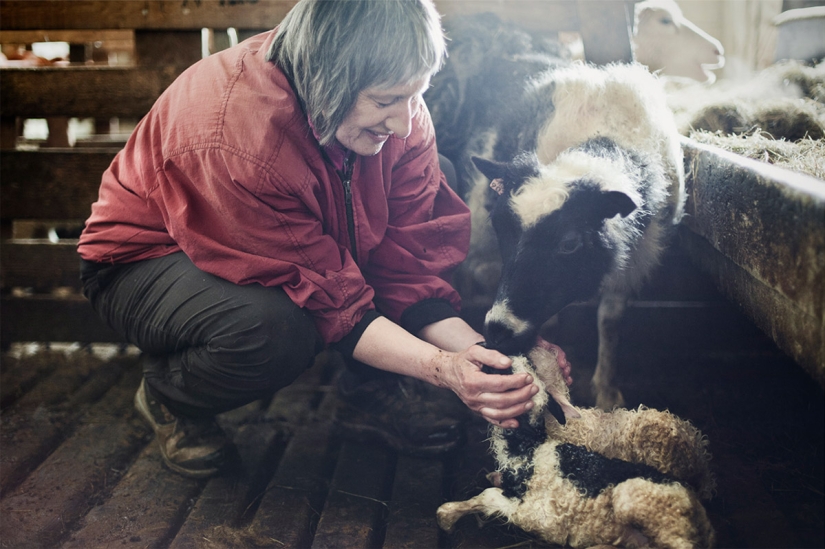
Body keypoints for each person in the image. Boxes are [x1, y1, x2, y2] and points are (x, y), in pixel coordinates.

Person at [77, 0, 544, 479]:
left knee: (432, 173)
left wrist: (488, 360)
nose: (404, 123)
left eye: (415, 94)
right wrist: (444, 370)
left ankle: (368, 394)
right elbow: (331, 302)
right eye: (384, 102)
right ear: (328, 80)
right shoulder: (240, 136)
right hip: (147, 262)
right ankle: (172, 396)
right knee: (276, 328)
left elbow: (406, 267)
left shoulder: (396, 109)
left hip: (300, 246)